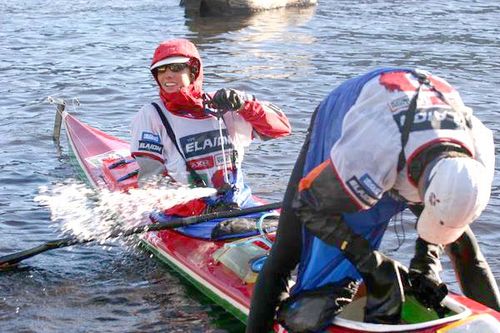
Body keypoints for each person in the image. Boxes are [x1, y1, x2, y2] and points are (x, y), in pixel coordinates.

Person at [246, 68, 500, 333]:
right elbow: (307, 205)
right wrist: (370, 261)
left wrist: (426, 258)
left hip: (419, 139)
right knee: (289, 249)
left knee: (464, 248)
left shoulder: (479, 149)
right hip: (351, 111)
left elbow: (446, 214)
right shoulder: (371, 148)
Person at [130, 39, 291, 216]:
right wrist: (200, 208)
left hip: (240, 204)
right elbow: (151, 183)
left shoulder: (226, 103)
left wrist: (244, 107)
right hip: (187, 216)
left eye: (176, 68)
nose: (167, 75)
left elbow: (281, 128)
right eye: (161, 69)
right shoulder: (151, 115)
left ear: (193, 71)